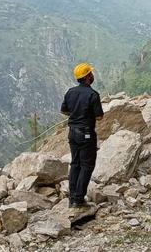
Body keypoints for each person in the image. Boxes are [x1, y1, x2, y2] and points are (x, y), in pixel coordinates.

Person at [60, 63, 104, 208]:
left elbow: (64, 111)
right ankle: (79, 200)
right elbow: (99, 117)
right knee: (87, 165)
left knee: (75, 163)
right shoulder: (93, 95)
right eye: (91, 73)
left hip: (72, 132)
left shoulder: (70, 92)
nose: (92, 75)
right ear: (87, 77)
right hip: (86, 133)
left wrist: (76, 113)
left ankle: (72, 197)